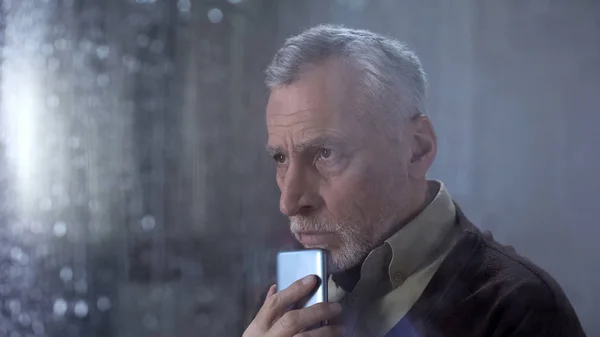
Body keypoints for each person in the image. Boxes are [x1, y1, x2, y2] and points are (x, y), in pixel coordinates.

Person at [243, 25, 586, 337]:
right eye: (280, 158)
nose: (288, 201)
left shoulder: (520, 308)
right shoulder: (285, 302)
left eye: (326, 154)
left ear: (417, 149)